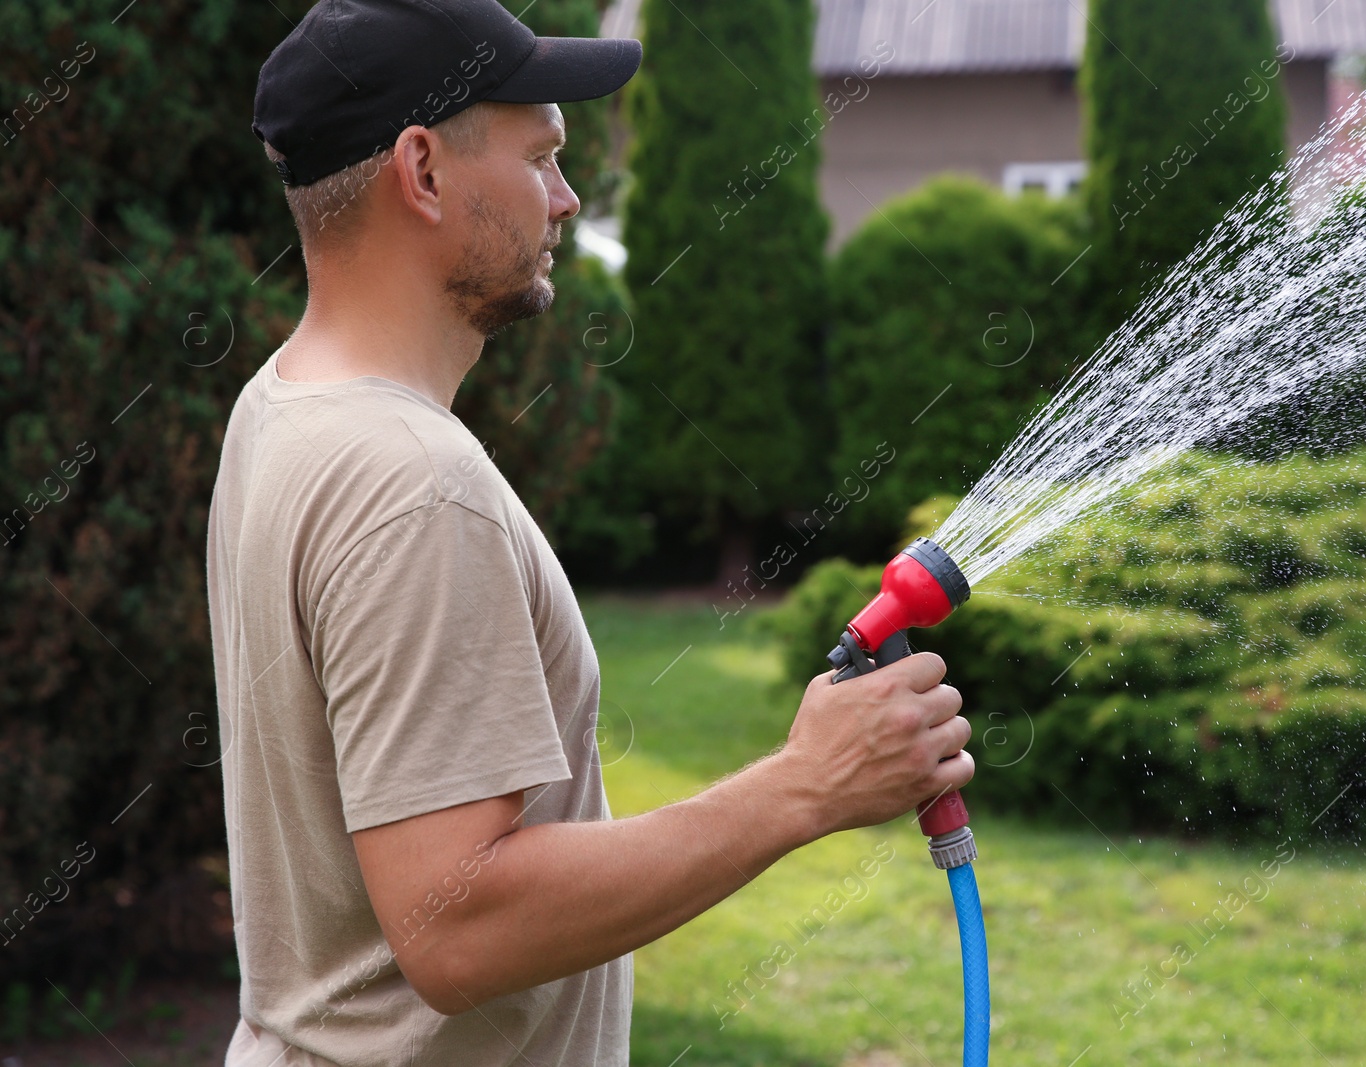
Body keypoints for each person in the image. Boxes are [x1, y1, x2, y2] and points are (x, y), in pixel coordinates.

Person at [209, 0, 973, 1063]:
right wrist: (803, 785)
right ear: (421, 172)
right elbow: (454, 926)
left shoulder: (280, 405)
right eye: (541, 158)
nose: (567, 200)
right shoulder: (413, 483)